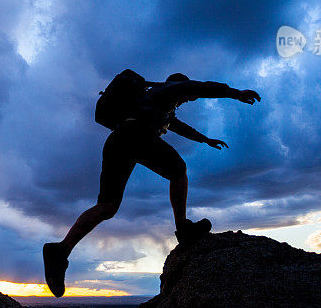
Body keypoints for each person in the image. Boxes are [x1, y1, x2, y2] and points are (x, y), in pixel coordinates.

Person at [43, 71, 261, 297]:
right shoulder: (169, 90)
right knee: (179, 171)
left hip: (117, 141)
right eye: (186, 94)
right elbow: (200, 86)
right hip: (136, 135)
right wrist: (236, 94)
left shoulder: (154, 101)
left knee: (108, 206)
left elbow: (179, 127)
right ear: (179, 84)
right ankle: (183, 229)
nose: (187, 99)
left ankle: (61, 250)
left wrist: (205, 140)